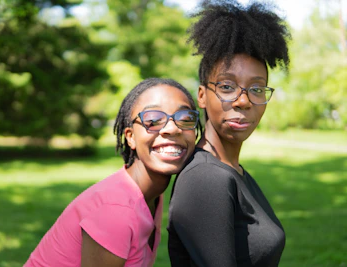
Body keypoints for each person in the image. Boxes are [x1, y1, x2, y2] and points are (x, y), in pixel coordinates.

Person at [24, 77, 200, 267]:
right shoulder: (116, 209)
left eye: (185, 118)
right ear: (130, 137)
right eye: (153, 120)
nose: (172, 129)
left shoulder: (152, 195)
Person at [167, 0, 291, 266]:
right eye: (226, 86)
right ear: (202, 96)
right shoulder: (205, 179)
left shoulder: (233, 171)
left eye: (257, 89)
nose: (243, 101)